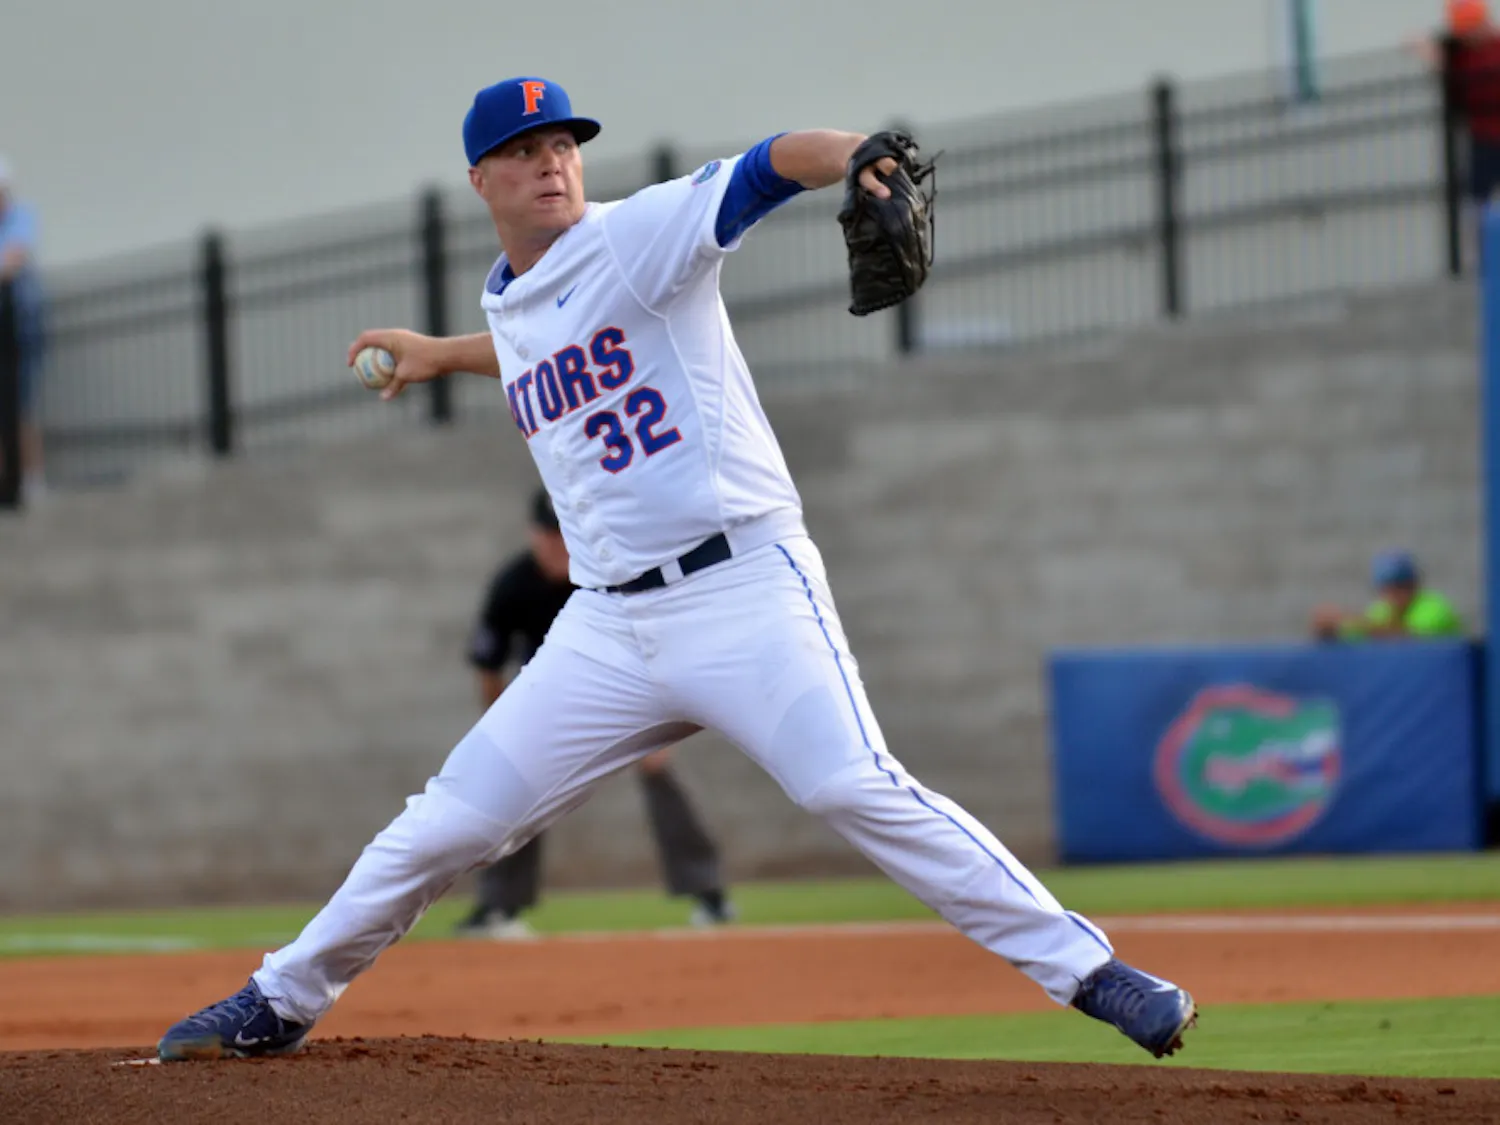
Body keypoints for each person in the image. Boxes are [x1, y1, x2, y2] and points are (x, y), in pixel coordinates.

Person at [157, 76, 1196, 1063]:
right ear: (482, 181)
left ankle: (1095, 973)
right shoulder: (517, 304)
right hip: (608, 630)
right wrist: (442, 349)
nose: (552, 163)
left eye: (563, 142)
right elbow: (536, 339)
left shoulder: (635, 237)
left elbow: (762, 168)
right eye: (523, 151)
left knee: (850, 784)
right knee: (450, 820)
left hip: (743, 589)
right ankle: (280, 1000)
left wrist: (856, 154)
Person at [454, 485, 734, 939]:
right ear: (532, 535)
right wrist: (506, 724)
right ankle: (496, 907)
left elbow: (670, 642)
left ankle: (710, 894)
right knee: (515, 786)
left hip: (627, 688)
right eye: (548, 535)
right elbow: (488, 665)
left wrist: (667, 726)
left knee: (662, 775)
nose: (557, 546)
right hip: (552, 698)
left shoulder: (614, 572)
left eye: (564, 535)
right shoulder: (513, 585)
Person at [0, 156, 45, 499]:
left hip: (20, 329)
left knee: (20, 406)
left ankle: (30, 480)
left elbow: (11, 264)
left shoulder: (20, 218)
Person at [1310, 551, 1467, 641]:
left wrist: (1358, 625)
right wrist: (1331, 629)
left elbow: (1408, 638)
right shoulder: (1380, 610)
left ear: (1414, 585)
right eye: (1387, 587)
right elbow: (1359, 636)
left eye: (1401, 585)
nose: (1394, 593)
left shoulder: (1434, 606)